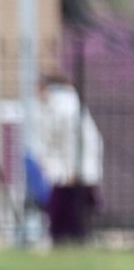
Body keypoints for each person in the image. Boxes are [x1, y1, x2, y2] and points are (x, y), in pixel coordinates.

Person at [34, 72, 103, 245]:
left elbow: (72, 143)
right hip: (66, 172)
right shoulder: (55, 106)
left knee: (67, 215)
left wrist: (73, 170)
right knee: (67, 214)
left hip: (73, 173)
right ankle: (70, 244)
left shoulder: (64, 107)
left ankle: (71, 245)